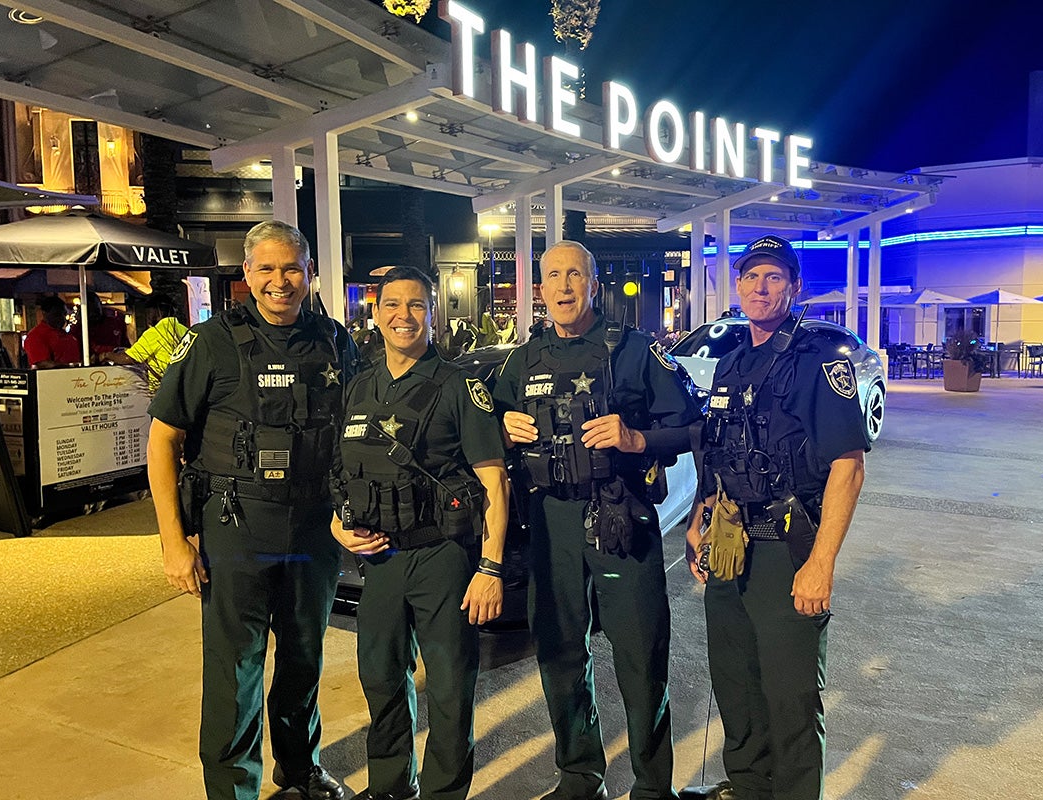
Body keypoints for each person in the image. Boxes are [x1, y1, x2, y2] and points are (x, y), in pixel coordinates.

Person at [146, 220, 358, 800]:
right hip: (235, 526)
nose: (280, 281)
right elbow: (163, 441)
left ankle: (300, 768)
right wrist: (173, 540)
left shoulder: (336, 342)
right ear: (246, 275)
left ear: (310, 273)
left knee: (303, 655)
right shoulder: (213, 340)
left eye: (292, 268)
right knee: (235, 669)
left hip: (314, 526)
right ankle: (234, 788)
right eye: (266, 268)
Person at [493, 241, 702, 800]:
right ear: (539, 289)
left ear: (593, 285)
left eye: (574, 276)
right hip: (550, 520)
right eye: (553, 276)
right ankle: (579, 775)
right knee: (560, 648)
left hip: (620, 517)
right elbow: (488, 431)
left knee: (640, 652)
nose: (563, 287)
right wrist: (504, 427)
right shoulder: (523, 358)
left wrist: (636, 439)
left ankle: (653, 785)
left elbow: (693, 428)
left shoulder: (635, 351)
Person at [683, 235, 868, 800]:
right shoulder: (734, 362)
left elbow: (848, 466)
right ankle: (747, 787)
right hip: (731, 547)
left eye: (773, 277)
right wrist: (698, 515)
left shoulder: (820, 363)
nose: (760, 288)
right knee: (736, 684)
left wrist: (821, 565)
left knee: (790, 698)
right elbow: (719, 451)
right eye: (750, 277)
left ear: (794, 287)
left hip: (788, 551)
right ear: (737, 286)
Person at [331, 266, 508, 800]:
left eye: (415, 306)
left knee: (451, 685)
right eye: (391, 305)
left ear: (433, 313)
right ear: (376, 311)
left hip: (442, 557)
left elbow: (495, 485)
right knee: (380, 678)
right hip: (380, 561)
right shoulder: (358, 384)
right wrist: (338, 527)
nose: (402, 316)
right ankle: (390, 785)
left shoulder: (459, 387)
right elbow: (339, 472)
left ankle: (443, 792)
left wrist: (490, 568)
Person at [103, 292, 189, 390]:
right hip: (184, 386)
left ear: (157, 312)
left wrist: (106, 355)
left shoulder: (156, 332)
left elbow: (130, 358)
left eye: (149, 312)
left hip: (164, 390)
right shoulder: (184, 330)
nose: (147, 317)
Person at [23, 294, 80, 368]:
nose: (62, 318)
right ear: (44, 314)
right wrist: (71, 366)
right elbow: (43, 364)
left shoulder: (67, 334)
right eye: (57, 314)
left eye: (64, 314)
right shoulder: (36, 336)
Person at [85, 289, 130, 357]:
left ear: (100, 306)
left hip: (117, 362)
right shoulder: (81, 329)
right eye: (89, 310)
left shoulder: (116, 323)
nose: (92, 313)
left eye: (96, 309)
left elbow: (126, 345)